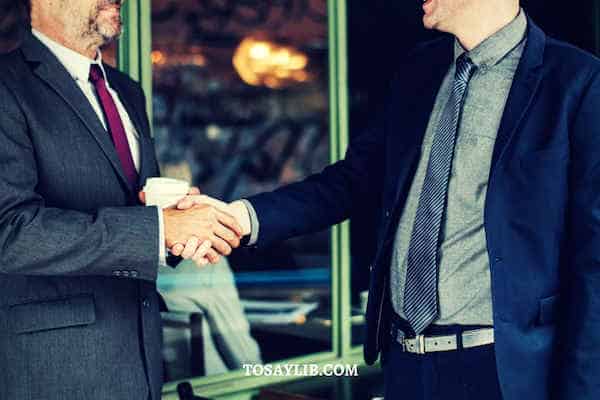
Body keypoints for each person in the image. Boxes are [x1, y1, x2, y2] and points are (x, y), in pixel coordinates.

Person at [180, 0, 600, 398]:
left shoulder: (577, 83)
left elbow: (592, 265)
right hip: (404, 363)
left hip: (503, 372)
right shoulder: (419, 70)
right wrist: (242, 217)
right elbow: (351, 181)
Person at [0, 0, 242, 399]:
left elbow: (141, 216)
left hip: (142, 362)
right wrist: (159, 229)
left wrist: (177, 226)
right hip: (55, 371)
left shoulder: (128, 91)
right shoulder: (7, 86)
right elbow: (10, 231)